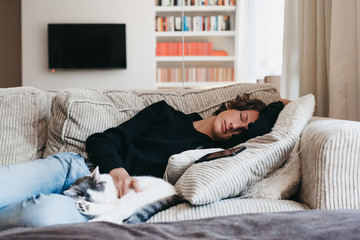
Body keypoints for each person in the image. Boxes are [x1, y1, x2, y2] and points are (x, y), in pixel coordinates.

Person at [0, 94, 286, 230]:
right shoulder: (164, 114)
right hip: (77, 168)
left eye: (242, 130)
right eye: (241, 118)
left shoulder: (211, 154)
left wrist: (277, 106)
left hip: (106, 199)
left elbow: (260, 135)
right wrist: (117, 169)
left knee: (38, 217)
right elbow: (102, 139)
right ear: (230, 105)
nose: (236, 127)